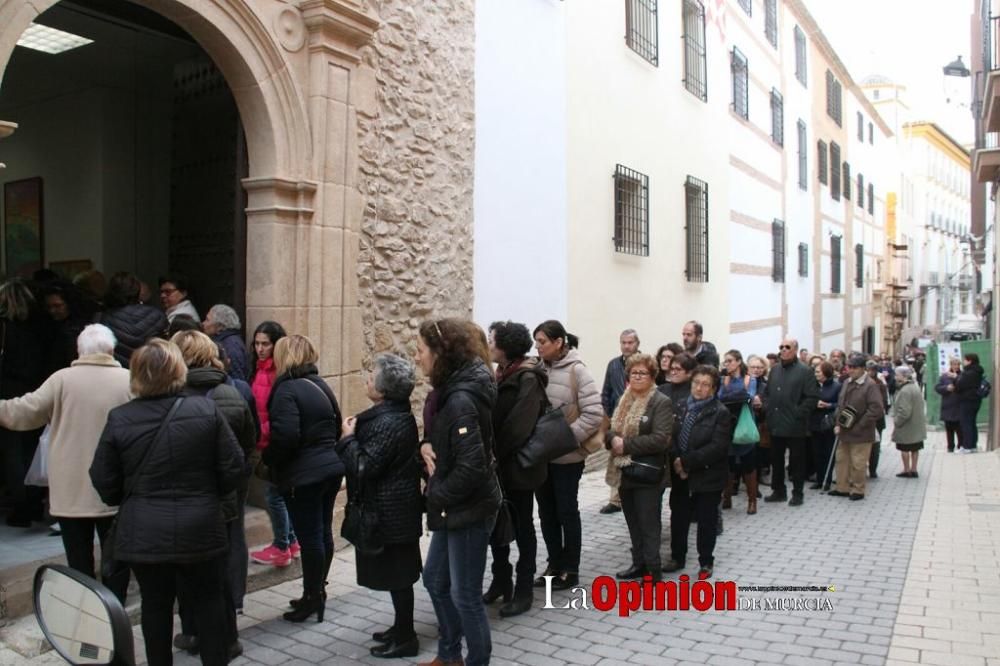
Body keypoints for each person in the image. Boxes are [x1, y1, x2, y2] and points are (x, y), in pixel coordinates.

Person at [89, 339, 244, 666]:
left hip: (145, 532)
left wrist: (133, 496)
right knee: (208, 602)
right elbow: (233, 468)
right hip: (201, 526)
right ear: (178, 370)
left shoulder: (120, 418)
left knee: (155, 606)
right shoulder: (204, 409)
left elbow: (103, 480)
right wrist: (206, 494)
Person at [0, 325, 131, 599]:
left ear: (79, 350)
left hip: (71, 489)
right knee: (116, 556)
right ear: (110, 350)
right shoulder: (128, 380)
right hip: (115, 485)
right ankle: (114, 608)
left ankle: (86, 607)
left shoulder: (61, 380)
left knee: (78, 557)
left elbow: (24, 412)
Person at [416, 319, 501, 666]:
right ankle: (449, 655)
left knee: (464, 595)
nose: (417, 358)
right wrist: (426, 446)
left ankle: (476, 660)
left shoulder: (461, 399)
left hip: (469, 509)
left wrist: (433, 493)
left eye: (420, 351)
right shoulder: (452, 392)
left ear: (441, 354)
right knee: (436, 580)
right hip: (456, 506)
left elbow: (471, 468)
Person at [170, 331, 257, 657]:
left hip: (186, 494)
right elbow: (251, 442)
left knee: (187, 568)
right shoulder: (233, 393)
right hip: (225, 491)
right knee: (223, 561)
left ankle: (192, 630)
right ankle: (228, 634)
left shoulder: (173, 396)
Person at [336, 353, 422, 659]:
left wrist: (348, 439)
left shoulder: (386, 422)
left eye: (371, 377)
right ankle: (400, 629)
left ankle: (406, 637)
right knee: (396, 575)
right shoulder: (389, 416)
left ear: (384, 389)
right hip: (393, 509)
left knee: (399, 577)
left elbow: (363, 466)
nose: (367, 380)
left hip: (391, 512)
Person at [263, 335, 345, 622]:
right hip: (329, 469)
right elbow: (337, 424)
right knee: (322, 532)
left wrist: (268, 460)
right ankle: (317, 591)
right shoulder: (320, 385)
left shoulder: (286, 390)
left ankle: (312, 597)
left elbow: (286, 436)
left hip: (304, 474)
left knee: (311, 537)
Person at [532, 320, 604, 591]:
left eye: (543, 342)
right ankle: (553, 565)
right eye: (536, 342)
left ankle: (570, 569)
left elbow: (594, 413)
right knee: (546, 512)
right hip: (542, 456)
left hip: (567, 457)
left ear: (559, 342)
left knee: (566, 511)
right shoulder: (538, 370)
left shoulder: (578, 370)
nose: (538, 347)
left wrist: (564, 440)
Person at [482, 321, 548, 618]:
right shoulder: (500, 373)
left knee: (522, 527)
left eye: (492, 340)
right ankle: (501, 579)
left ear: (506, 345)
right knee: (498, 524)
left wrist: (493, 451)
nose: (489, 344)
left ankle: (523, 590)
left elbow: (519, 426)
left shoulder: (528, 377)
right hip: (499, 466)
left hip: (519, 467)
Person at [607, 353, 672, 581]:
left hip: (647, 473)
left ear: (652, 375)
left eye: (642, 373)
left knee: (648, 524)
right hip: (625, 471)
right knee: (633, 522)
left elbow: (661, 439)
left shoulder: (660, 401)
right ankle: (639, 564)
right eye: (633, 372)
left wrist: (625, 444)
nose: (637, 376)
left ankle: (654, 570)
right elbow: (612, 428)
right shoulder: (624, 399)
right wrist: (612, 438)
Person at [663, 365, 731, 579]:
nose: (699, 388)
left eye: (705, 385)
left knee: (706, 520)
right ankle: (677, 557)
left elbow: (717, 447)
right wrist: (676, 460)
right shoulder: (682, 406)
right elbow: (671, 436)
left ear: (713, 389)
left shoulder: (721, 412)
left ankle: (706, 561)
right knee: (679, 517)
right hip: (679, 473)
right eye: (696, 383)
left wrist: (686, 462)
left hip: (708, 475)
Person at [247, 321, 301, 568]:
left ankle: (282, 545)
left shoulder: (277, 373)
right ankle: (290, 541)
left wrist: (262, 433)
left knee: (274, 494)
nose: (260, 348)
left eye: (265, 343)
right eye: (257, 343)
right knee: (277, 493)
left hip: (272, 442)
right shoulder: (257, 369)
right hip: (264, 439)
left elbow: (276, 413)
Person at [0, 278, 48, 527]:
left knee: (12, 451)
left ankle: (21, 507)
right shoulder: (41, 325)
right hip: (36, 390)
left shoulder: (5, 327)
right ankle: (34, 500)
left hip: (8, 391)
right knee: (31, 447)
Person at [762, 338, 819, 506]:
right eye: (781, 347)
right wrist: (767, 407)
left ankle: (798, 493)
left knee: (797, 462)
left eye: (787, 347)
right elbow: (766, 393)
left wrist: (797, 413)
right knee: (776, 460)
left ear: (795, 350)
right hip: (776, 423)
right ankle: (778, 490)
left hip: (795, 425)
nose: (783, 350)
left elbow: (812, 397)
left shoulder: (805, 371)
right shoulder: (774, 370)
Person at [829, 353, 884, 501]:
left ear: (862, 368)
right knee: (842, 460)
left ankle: (858, 490)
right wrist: (837, 424)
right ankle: (842, 487)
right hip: (844, 430)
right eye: (849, 367)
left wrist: (860, 425)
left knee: (858, 463)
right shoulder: (847, 382)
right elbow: (841, 405)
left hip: (861, 432)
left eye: (854, 367)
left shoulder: (870, 385)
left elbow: (876, 409)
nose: (850, 370)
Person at [598, 329, 640, 514]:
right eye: (623, 342)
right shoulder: (614, 365)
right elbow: (606, 391)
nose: (626, 346)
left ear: (637, 344)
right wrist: (607, 415)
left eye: (630, 342)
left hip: (638, 417)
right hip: (617, 418)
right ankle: (615, 500)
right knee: (615, 456)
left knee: (634, 456)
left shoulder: (644, 363)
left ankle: (635, 495)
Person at [718, 350, 760, 515]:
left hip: (744, 423)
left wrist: (735, 397)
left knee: (748, 463)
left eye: (729, 361)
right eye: (725, 361)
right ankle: (726, 498)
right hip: (728, 425)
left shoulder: (750, 379)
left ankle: (752, 500)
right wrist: (738, 396)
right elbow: (720, 398)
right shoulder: (724, 380)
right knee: (728, 463)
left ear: (738, 362)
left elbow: (748, 397)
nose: (726, 364)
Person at [100, 272, 168, 367]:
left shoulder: (103, 319)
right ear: (137, 290)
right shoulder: (157, 315)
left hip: (117, 373)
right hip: (150, 372)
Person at [809, 362, 841, 491]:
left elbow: (840, 404)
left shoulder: (837, 386)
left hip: (828, 424)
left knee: (828, 453)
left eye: (818, 372)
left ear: (826, 372)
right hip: (815, 423)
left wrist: (828, 405)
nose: (816, 374)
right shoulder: (812, 386)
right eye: (815, 372)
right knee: (816, 453)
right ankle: (819, 479)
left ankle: (827, 480)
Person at [892, 366, 926, 478]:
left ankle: (907, 469)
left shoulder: (904, 390)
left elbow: (904, 411)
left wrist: (897, 422)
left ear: (903, 376)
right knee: (915, 448)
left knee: (904, 448)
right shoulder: (915, 387)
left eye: (897, 375)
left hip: (907, 425)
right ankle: (914, 468)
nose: (895, 377)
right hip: (916, 424)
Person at [203, 304, 249, 381]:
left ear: (220, 326)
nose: (203, 323)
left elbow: (237, 379)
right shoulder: (224, 341)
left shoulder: (231, 346)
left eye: (207, 320)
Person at [954, 352, 985, 453]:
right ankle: (972, 445)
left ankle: (967, 446)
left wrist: (955, 377)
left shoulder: (969, 373)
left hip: (967, 400)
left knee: (966, 423)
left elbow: (959, 385)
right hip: (975, 400)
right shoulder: (977, 371)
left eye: (965, 360)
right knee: (971, 423)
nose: (963, 362)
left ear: (970, 361)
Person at [865, 360, 889, 478]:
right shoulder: (861, 383)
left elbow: (883, 402)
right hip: (864, 419)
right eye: (868, 370)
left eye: (872, 370)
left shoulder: (880, 384)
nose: (870, 372)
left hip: (877, 420)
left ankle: (873, 469)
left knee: (875, 446)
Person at [935, 357, 963, 452]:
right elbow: (937, 387)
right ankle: (950, 446)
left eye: (957, 364)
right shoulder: (944, 376)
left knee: (959, 428)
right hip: (948, 404)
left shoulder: (962, 375)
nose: (955, 366)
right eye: (954, 364)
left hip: (959, 405)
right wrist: (946, 388)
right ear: (950, 365)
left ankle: (961, 445)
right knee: (949, 428)